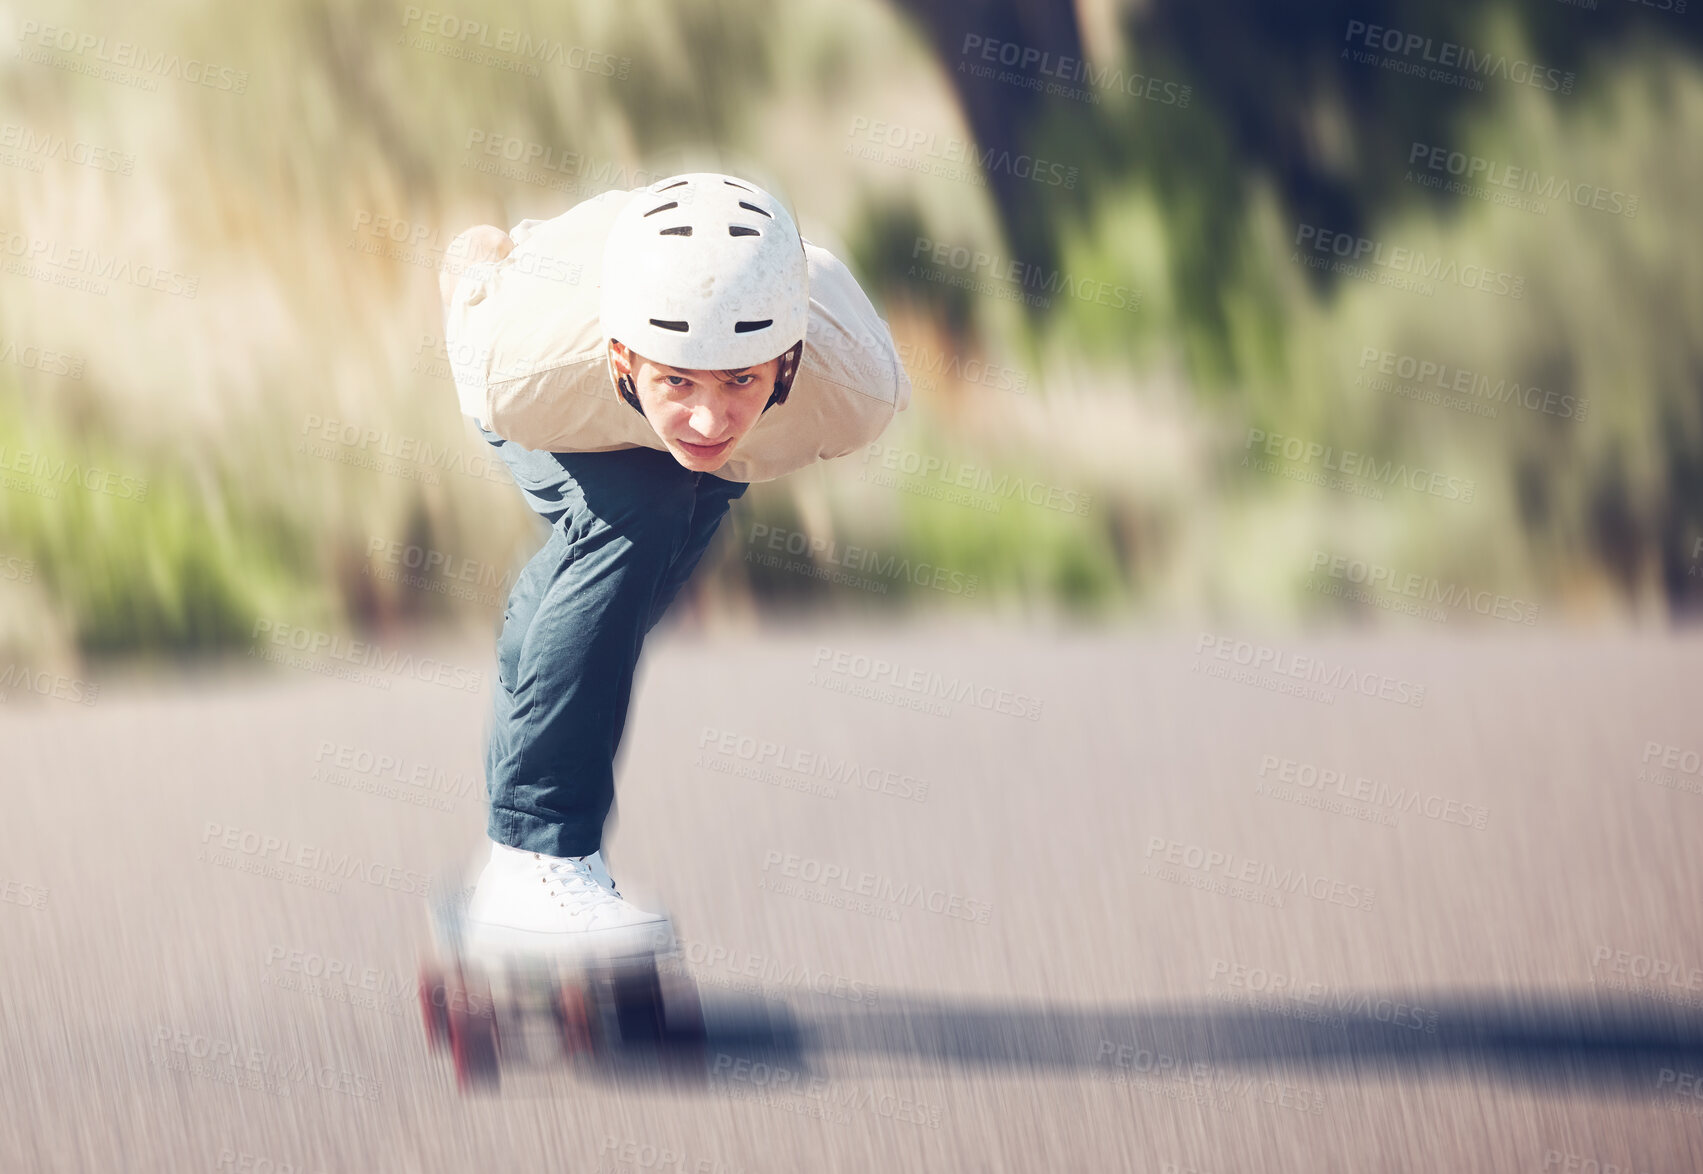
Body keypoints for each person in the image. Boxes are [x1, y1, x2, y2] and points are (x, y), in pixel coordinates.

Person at [437, 173, 910, 957]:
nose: (705, 415)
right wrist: (478, 273)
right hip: (557, 357)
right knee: (636, 518)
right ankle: (536, 858)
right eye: (677, 382)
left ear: (786, 364)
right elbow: (472, 276)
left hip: (734, 353)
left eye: (740, 383)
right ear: (625, 356)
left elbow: (711, 425)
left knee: (632, 569)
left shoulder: (852, 383)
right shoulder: (523, 367)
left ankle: (526, 865)